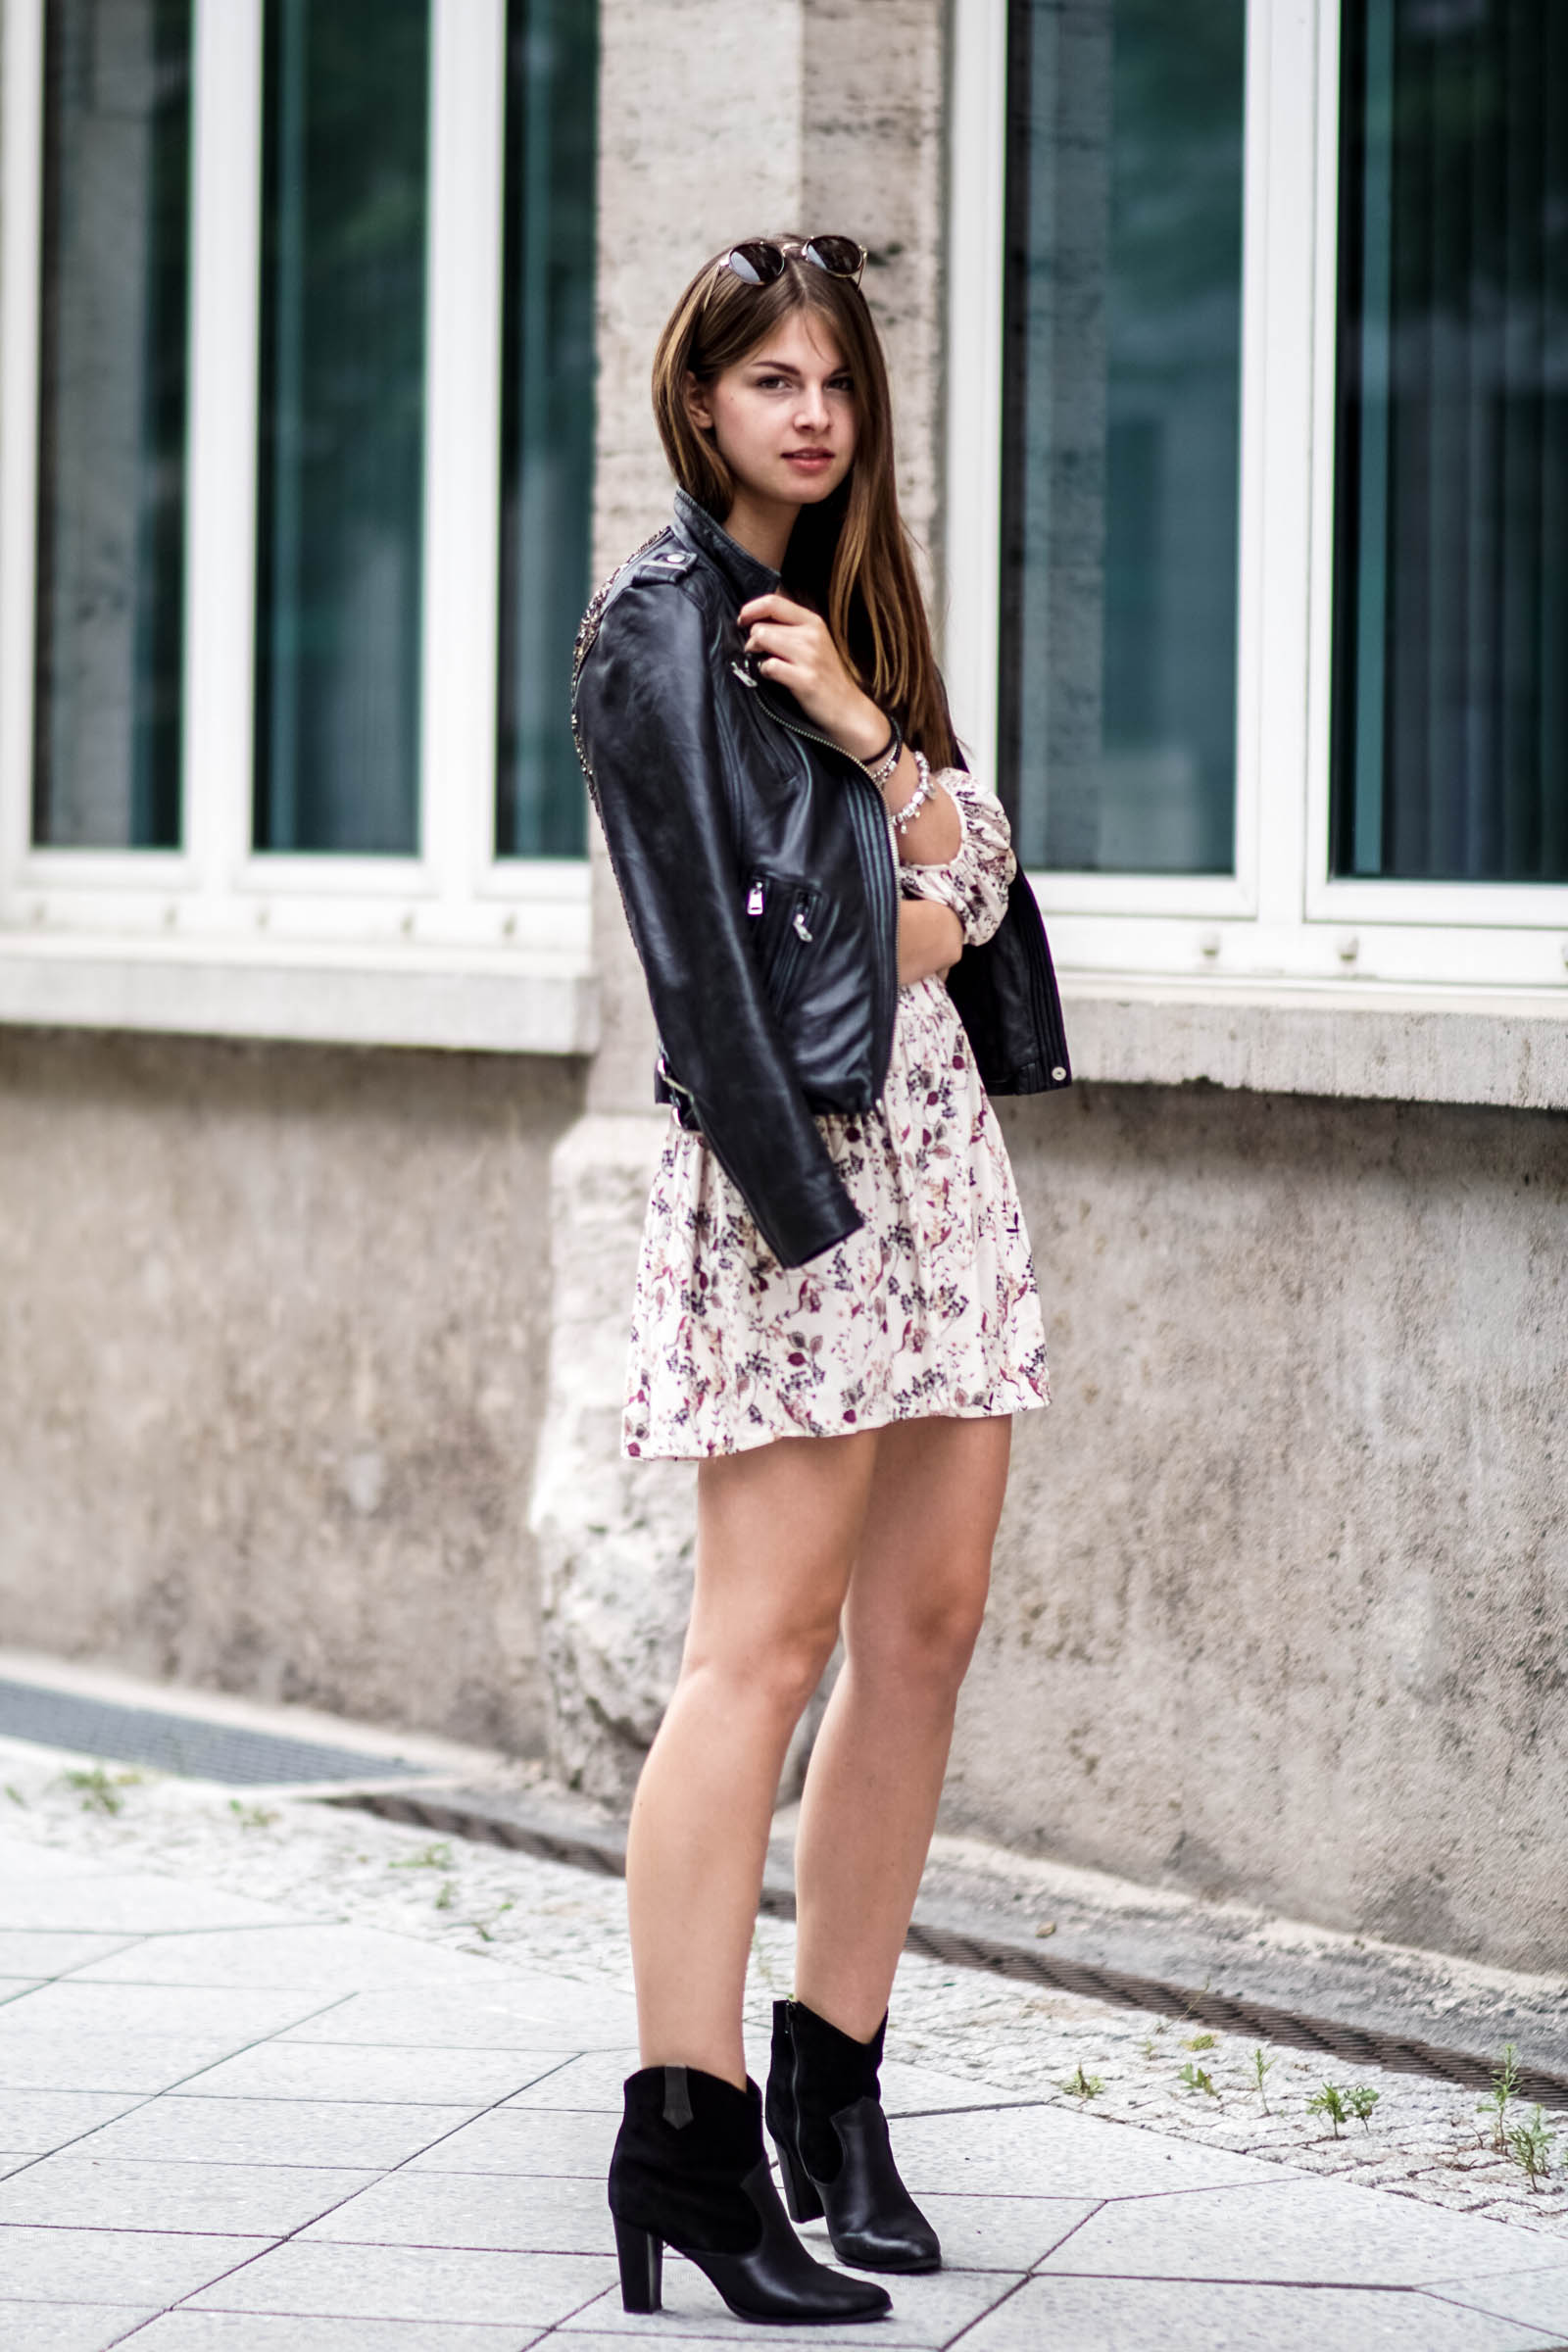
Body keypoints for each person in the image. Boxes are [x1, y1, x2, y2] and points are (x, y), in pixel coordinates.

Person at [571, 232, 1070, 2328]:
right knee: (754, 1657)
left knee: (926, 1628)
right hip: (805, 1189)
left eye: (833, 383)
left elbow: (979, 863)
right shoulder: (656, 632)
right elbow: (781, 950)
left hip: (940, 1167)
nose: (806, 411)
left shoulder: (837, 619)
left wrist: (875, 737)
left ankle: (832, 2088)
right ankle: (681, 2132)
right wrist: (923, 865)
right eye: (766, 379)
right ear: (696, 402)